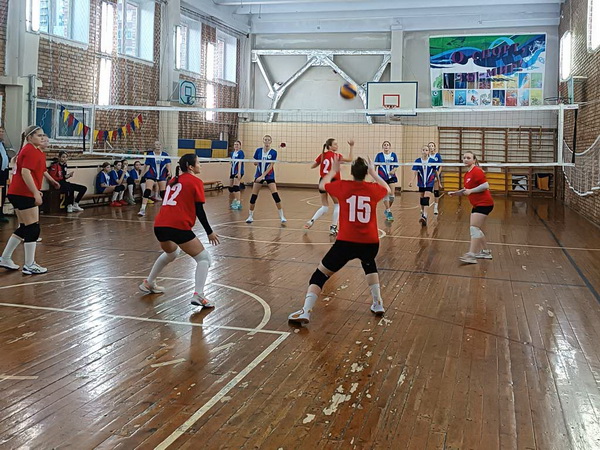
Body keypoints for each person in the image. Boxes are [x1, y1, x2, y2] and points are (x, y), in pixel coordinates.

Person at [288, 156, 390, 325]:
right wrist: (374, 173)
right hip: (371, 243)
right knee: (369, 264)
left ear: (352, 173)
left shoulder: (344, 186)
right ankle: (378, 303)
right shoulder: (373, 188)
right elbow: (387, 189)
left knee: (320, 274)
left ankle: (305, 311)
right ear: (366, 173)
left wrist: (333, 171)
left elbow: (322, 186)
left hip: (346, 243)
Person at [139, 153, 220, 308]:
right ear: (190, 167)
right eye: (198, 162)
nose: (200, 165)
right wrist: (209, 232)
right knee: (204, 258)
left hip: (160, 225)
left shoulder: (172, 181)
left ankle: (149, 282)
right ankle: (199, 295)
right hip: (177, 226)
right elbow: (199, 210)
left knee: (172, 253)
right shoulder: (195, 182)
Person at [0, 125, 59, 274]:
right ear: (30, 138)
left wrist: (49, 183)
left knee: (25, 227)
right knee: (33, 228)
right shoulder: (30, 151)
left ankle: (5, 258)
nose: (43, 138)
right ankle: (29, 264)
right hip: (23, 193)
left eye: (43, 135)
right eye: (39, 135)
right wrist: (35, 193)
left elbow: (38, 172)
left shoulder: (36, 151)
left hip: (18, 193)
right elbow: (25, 173)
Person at [448, 151, 494, 264]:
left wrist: (471, 191)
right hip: (477, 204)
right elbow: (466, 190)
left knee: (474, 228)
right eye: (464, 157)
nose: (465, 159)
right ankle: (486, 252)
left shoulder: (477, 171)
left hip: (484, 203)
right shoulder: (467, 174)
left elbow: (485, 185)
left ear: (474, 160)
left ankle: (471, 255)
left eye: (468, 158)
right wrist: (456, 193)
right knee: (476, 228)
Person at [305, 138, 354, 235]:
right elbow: (350, 159)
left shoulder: (322, 155)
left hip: (323, 181)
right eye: (335, 144)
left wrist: (319, 163)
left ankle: (312, 220)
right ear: (330, 146)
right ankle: (333, 227)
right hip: (333, 181)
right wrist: (351, 146)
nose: (337, 146)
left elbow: (313, 166)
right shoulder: (337, 156)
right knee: (337, 204)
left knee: (325, 206)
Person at [245, 135, 286, 224]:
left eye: (268, 140)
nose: (267, 141)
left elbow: (271, 166)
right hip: (258, 174)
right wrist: (255, 162)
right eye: (265, 140)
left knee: (275, 195)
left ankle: (282, 216)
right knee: (253, 196)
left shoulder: (273, 152)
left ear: (271, 142)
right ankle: (250, 216)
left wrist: (262, 176)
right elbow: (255, 162)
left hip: (269, 175)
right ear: (263, 141)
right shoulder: (258, 151)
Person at [138, 140, 171, 217]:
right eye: (156, 144)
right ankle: (142, 209)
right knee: (147, 190)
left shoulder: (165, 155)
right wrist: (141, 176)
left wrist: (169, 171)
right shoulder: (150, 155)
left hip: (162, 174)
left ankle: (167, 209)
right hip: (151, 174)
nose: (158, 146)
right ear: (154, 146)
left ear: (161, 146)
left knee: (163, 192)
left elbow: (168, 164)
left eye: (159, 144)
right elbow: (145, 166)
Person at [409, 145, 436, 226]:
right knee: (422, 198)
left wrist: (438, 181)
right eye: (423, 150)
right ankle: (423, 212)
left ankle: (425, 215)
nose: (425, 151)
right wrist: (411, 181)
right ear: (421, 151)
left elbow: (435, 171)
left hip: (429, 182)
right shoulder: (418, 161)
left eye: (426, 150)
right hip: (421, 182)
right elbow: (415, 172)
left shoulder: (432, 161)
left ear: (429, 152)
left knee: (426, 198)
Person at [374, 140, 399, 221]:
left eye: (387, 145)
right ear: (382, 147)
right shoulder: (379, 155)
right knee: (385, 194)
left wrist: (393, 171)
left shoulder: (393, 155)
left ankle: (387, 209)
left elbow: (396, 166)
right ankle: (388, 211)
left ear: (390, 147)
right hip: (382, 178)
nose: (386, 146)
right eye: (384, 145)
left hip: (391, 177)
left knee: (392, 196)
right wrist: (374, 176)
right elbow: (375, 166)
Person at [228, 140, 245, 210]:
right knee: (230, 188)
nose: (236, 146)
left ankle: (238, 202)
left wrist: (239, 173)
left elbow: (240, 162)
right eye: (235, 144)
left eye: (237, 144)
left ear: (240, 146)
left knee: (236, 186)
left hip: (238, 171)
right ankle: (235, 199)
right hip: (232, 171)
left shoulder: (241, 152)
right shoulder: (232, 153)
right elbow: (231, 162)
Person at [428, 141, 443, 215]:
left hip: (436, 174)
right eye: (429, 146)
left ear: (434, 147)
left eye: (432, 146)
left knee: (436, 191)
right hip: (428, 175)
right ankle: (424, 207)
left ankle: (435, 208)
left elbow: (441, 166)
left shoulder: (437, 156)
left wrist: (438, 175)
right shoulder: (427, 156)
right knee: (426, 191)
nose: (431, 147)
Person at [0, 126, 11, 222]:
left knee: (3, 193)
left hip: (3, 172)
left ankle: (1, 212)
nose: (2, 133)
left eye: (3, 132)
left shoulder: (2, 144)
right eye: (0, 132)